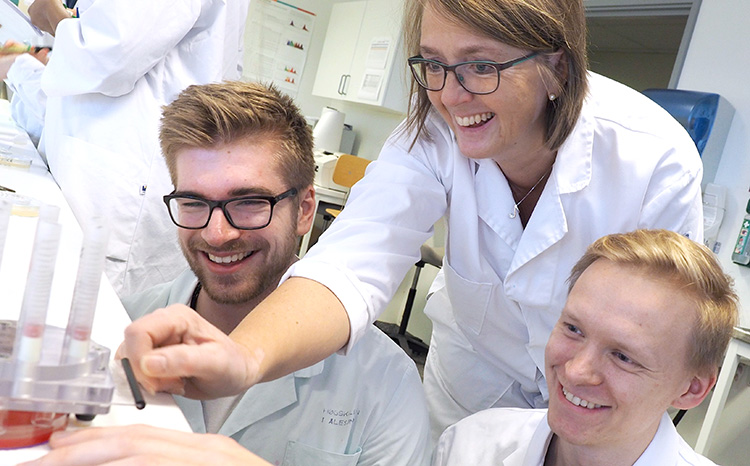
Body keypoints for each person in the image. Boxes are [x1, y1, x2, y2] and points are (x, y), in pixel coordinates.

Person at [111, 0, 704, 445]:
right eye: (433, 65)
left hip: (601, 403)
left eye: (479, 66)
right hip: (470, 391)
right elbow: (353, 262)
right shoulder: (430, 137)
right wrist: (243, 361)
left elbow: (668, 337)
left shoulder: (652, 158)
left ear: (554, 66)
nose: (450, 94)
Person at [124, 81, 425, 465]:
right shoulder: (121, 323)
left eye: (249, 202)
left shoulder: (385, 380)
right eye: (194, 202)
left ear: (304, 210)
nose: (218, 234)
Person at [1, 0, 249, 296]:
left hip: (122, 186)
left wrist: (51, 14)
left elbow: (110, 53)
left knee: (81, 310)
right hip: (121, 176)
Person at [432, 229, 737, 465]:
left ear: (692, 389)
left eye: (623, 357)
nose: (577, 371)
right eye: (573, 329)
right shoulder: (470, 447)